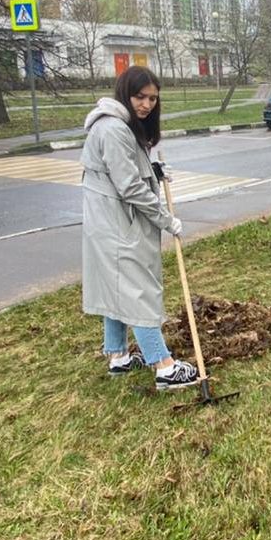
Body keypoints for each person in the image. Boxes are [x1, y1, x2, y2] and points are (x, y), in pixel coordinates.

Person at [80, 65, 199, 390]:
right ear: (125, 94)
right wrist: (165, 219)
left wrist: (154, 170)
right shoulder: (114, 130)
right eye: (140, 97)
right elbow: (130, 187)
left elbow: (124, 171)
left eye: (152, 99)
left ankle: (118, 356)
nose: (146, 105)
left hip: (109, 222)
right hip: (118, 225)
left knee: (117, 288)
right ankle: (163, 365)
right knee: (137, 290)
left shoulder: (117, 126)